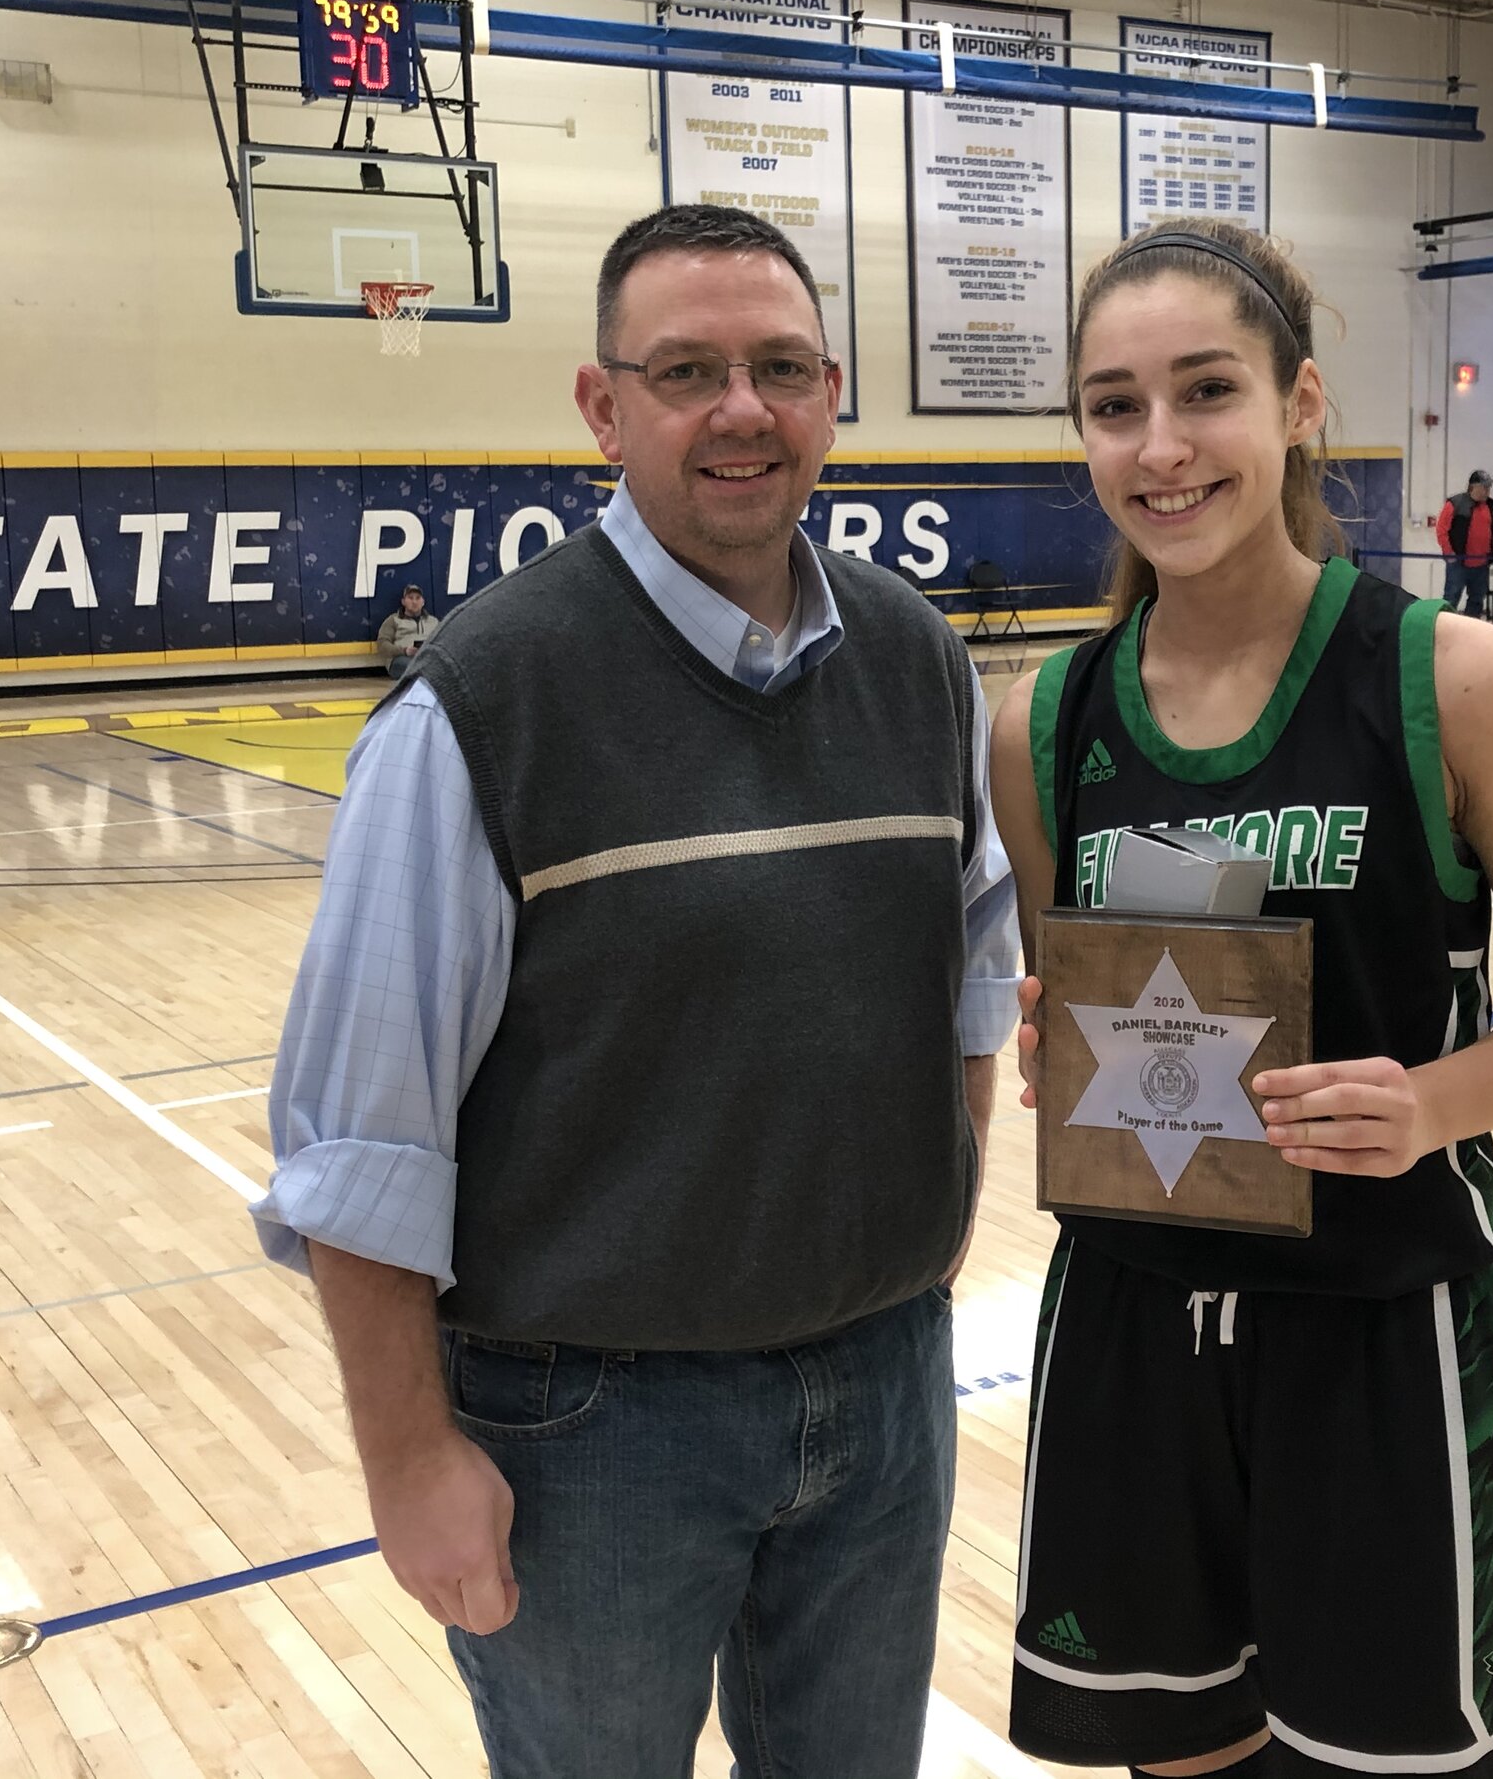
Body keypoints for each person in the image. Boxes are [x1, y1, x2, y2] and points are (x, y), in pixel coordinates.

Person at [255, 204, 1020, 1777]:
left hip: (882, 1392)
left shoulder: (918, 660)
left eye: (781, 367)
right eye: (688, 370)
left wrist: (924, 1256)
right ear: (605, 407)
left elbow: (969, 997)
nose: (742, 407)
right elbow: (359, 1138)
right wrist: (410, 1456)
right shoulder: (482, 699)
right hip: (590, 1431)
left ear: (830, 391)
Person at [992, 217, 1493, 1778]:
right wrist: (1052, 1035)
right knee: (1181, 1747)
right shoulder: (1040, 723)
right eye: (1113, 404)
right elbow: (1071, 999)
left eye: (1205, 389)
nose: (1160, 446)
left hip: (1381, 1318)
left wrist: (1428, 1102)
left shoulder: (1455, 679)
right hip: (1132, 1310)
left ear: (1297, 402)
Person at [1434, 470, 1493, 617]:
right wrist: (1449, 553)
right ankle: (1446, 631)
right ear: (1473, 487)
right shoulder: (1455, 504)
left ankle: (1470, 632)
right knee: (1451, 599)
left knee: (1477, 600)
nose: (1487, 490)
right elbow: (1442, 529)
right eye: (1484, 487)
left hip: (1481, 563)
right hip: (1459, 562)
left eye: (1488, 487)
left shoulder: (1490, 506)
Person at [376, 583, 442, 679]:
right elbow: (382, 645)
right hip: (401, 659)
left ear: (423, 602)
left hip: (427, 658)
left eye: (418, 598)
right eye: (410, 598)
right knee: (414, 666)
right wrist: (404, 651)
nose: (414, 602)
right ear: (403, 601)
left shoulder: (433, 621)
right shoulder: (393, 620)